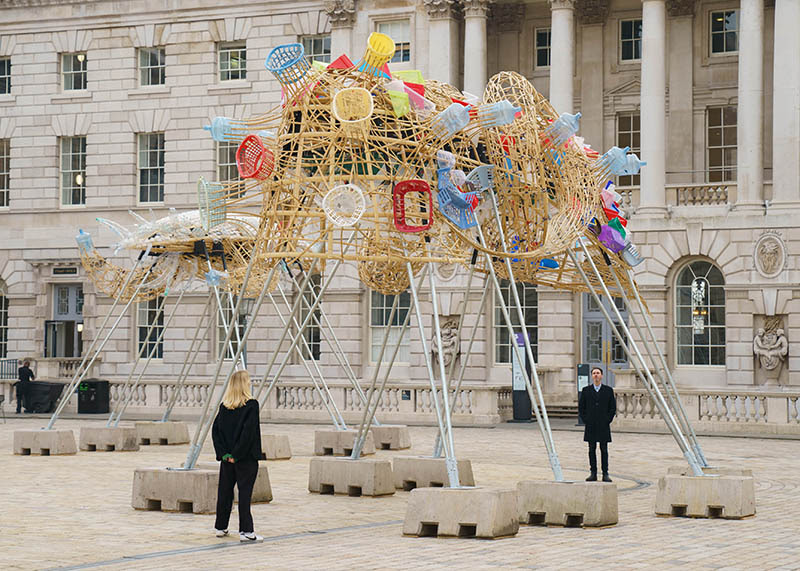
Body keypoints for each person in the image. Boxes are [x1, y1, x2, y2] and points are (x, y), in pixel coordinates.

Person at [211, 370, 263, 542]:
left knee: (225, 491)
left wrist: (225, 454)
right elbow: (248, 434)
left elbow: (216, 432)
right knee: (244, 493)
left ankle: (221, 526)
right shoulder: (252, 406)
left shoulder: (224, 407)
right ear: (244, 384)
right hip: (245, 458)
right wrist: (237, 455)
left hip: (227, 459)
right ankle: (246, 531)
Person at [578, 366, 616, 482]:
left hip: (603, 424)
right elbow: (581, 407)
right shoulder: (586, 390)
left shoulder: (608, 390)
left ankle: (605, 473)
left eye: (598, 373)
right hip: (591, 424)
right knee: (591, 449)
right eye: (594, 373)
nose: (596, 375)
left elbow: (612, 407)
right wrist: (586, 419)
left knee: (604, 449)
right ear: (592, 376)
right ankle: (593, 472)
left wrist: (607, 419)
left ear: (602, 376)